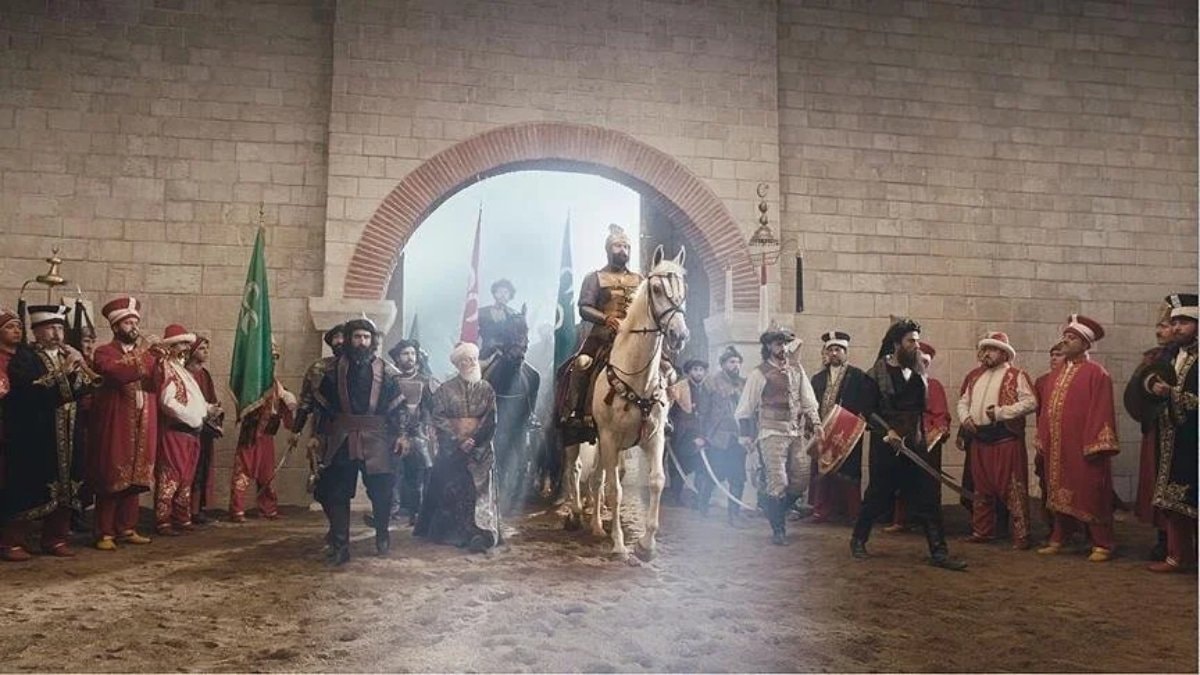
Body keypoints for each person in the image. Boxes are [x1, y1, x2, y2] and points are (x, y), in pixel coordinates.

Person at [849, 319, 966, 571]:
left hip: (914, 442)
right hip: (886, 444)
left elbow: (919, 409)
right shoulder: (875, 373)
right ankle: (858, 540)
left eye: (917, 340)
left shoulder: (918, 371)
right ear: (896, 344)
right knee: (877, 496)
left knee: (928, 498)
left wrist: (918, 437)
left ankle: (939, 552)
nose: (916, 345)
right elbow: (867, 410)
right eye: (911, 341)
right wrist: (888, 431)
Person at [0, 305, 89, 560]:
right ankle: (12, 542)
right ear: (37, 331)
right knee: (29, 485)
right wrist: (64, 371)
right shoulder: (25, 357)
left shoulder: (67, 355)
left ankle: (56, 538)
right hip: (36, 432)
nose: (56, 333)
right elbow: (30, 390)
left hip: (69, 430)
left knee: (67, 485)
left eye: (60, 328)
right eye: (50, 328)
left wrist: (81, 368)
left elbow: (83, 389)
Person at [313, 318, 405, 564]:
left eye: (366, 337)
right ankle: (341, 545)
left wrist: (401, 435)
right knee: (337, 491)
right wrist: (317, 436)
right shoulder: (331, 371)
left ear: (373, 341)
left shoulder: (387, 372)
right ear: (349, 340)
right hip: (341, 437)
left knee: (382, 491)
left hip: (376, 438)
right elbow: (322, 408)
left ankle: (382, 535)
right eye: (357, 337)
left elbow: (398, 409)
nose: (361, 342)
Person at [1035, 314, 1119, 562]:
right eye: (1065, 336)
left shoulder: (1097, 373)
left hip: (1084, 445)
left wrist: (1095, 444)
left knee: (1090, 492)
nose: (1065, 341)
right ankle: (1060, 537)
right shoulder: (1057, 373)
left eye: (1071, 338)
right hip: (1057, 445)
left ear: (1085, 343)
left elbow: (1102, 410)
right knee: (1057, 490)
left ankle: (1102, 542)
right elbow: (1047, 409)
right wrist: (1042, 436)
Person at [88, 296, 162, 551]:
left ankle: (127, 528)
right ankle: (105, 532)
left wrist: (161, 361)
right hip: (116, 421)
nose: (134, 327)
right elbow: (117, 373)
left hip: (143, 422)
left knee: (135, 478)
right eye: (128, 323)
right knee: (113, 474)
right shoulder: (104, 352)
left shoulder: (146, 354)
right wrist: (146, 354)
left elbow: (156, 383)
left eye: (135, 322)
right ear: (115, 326)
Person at [736, 327, 821, 546]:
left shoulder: (796, 369)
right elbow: (746, 406)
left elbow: (808, 399)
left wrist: (816, 422)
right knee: (778, 481)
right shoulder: (760, 373)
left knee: (801, 478)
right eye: (778, 344)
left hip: (795, 432)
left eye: (785, 344)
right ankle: (778, 530)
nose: (782, 348)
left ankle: (772, 508)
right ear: (768, 346)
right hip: (771, 433)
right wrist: (745, 435)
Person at [415, 341, 500, 553]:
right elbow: (438, 417)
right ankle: (458, 534)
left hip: (481, 450)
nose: (469, 364)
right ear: (457, 364)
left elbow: (490, 419)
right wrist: (458, 440)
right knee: (454, 490)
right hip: (452, 449)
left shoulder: (487, 389)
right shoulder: (445, 390)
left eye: (473, 359)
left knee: (481, 492)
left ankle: (483, 532)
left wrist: (475, 440)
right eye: (464, 360)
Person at [955, 332, 1037, 549]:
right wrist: (965, 418)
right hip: (980, 439)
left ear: (1003, 353)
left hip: (1005, 439)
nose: (986, 354)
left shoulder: (1016, 375)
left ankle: (1021, 535)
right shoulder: (975, 377)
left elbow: (1031, 402)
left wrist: (1001, 412)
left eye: (991, 350)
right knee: (981, 488)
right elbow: (963, 401)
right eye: (984, 350)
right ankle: (982, 531)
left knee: (1013, 487)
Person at [560, 224, 643, 434]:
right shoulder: (595, 277)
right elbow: (584, 308)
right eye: (618, 246)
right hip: (603, 335)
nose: (623, 250)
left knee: (663, 367)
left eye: (626, 246)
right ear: (608, 249)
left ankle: (659, 413)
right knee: (582, 363)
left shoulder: (639, 280)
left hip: (634, 337)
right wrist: (606, 318)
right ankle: (577, 412)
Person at [1146, 293, 1197, 573]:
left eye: (1184, 322)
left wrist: (1173, 394)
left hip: (1194, 439)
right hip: (1171, 437)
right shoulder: (1172, 356)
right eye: (1174, 322)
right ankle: (1178, 556)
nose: (1176, 328)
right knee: (1173, 501)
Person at [886, 341, 951, 533]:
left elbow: (941, 415)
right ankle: (901, 520)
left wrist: (932, 436)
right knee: (901, 480)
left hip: (926, 441)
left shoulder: (934, 385)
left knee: (927, 484)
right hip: (905, 438)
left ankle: (929, 524)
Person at [153, 324, 212, 536]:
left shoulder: (182, 371)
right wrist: (192, 417)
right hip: (176, 431)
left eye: (187, 344)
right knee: (171, 476)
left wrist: (206, 409)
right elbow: (167, 402)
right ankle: (163, 520)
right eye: (182, 344)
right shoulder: (167, 368)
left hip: (190, 432)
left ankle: (181, 517)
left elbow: (192, 399)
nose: (186, 348)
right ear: (172, 347)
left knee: (186, 477)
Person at [229, 340, 296, 523]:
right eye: (269, 358)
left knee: (267, 474)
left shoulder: (276, 384)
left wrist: (288, 400)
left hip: (268, 435)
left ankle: (268, 508)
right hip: (252, 433)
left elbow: (284, 403)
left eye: (275, 358)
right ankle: (237, 510)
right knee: (243, 471)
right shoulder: (253, 382)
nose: (273, 361)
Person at [808, 331, 869, 524]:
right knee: (822, 471)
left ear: (845, 352)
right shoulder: (817, 378)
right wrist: (811, 426)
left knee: (848, 472)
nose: (834, 353)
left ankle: (852, 512)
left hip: (847, 431)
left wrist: (860, 420)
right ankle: (821, 510)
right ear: (826, 352)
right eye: (831, 350)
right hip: (823, 430)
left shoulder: (857, 376)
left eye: (838, 349)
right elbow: (810, 405)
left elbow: (866, 403)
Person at [1130, 303, 1175, 560]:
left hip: (1184, 431)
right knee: (1157, 481)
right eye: (1159, 325)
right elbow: (1136, 394)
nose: (1160, 331)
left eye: (1165, 326)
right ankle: (1164, 538)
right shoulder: (1153, 358)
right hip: (1156, 430)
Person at [697, 346, 750, 527]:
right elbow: (703, 412)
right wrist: (701, 436)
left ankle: (733, 515)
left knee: (738, 478)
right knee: (713, 476)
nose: (736, 365)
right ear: (723, 364)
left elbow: (750, 413)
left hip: (738, 438)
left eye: (738, 362)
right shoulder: (711, 383)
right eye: (731, 362)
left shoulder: (744, 384)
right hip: (717, 438)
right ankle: (702, 506)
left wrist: (750, 435)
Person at [388, 338, 439, 526]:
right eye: (405, 354)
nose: (409, 357)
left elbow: (432, 409)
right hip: (393, 434)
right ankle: (391, 512)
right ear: (397, 357)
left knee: (418, 475)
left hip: (419, 435)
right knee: (392, 475)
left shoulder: (425, 381)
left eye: (412, 353)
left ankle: (417, 513)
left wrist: (426, 428)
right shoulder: (390, 381)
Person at [186, 336, 223, 525]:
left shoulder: (205, 374)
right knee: (191, 470)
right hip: (190, 428)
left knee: (203, 468)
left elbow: (211, 398)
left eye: (207, 348)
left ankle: (198, 509)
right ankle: (185, 511)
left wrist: (216, 411)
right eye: (201, 348)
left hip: (205, 430)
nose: (206, 352)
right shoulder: (185, 374)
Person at [1032, 341, 1066, 532]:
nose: (1053, 358)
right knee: (1047, 482)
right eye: (1051, 355)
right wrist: (1039, 437)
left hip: (1068, 440)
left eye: (1058, 355)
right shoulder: (1042, 382)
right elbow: (1040, 413)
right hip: (1048, 438)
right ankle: (1052, 526)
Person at [666, 359, 707, 508]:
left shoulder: (707, 389)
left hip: (700, 434)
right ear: (689, 372)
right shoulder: (678, 389)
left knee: (701, 467)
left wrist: (703, 436)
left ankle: (699, 499)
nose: (699, 373)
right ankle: (676, 498)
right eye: (695, 370)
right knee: (678, 467)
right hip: (681, 434)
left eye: (701, 370)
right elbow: (669, 412)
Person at [479, 279, 519, 358]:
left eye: (506, 292)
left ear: (510, 295)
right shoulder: (481, 313)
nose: (503, 295)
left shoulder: (514, 316)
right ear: (494, 293)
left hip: (507, 356)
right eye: (500, 292)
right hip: (484, 354)